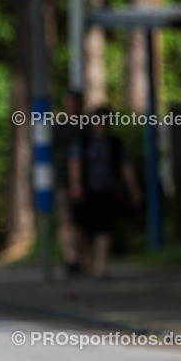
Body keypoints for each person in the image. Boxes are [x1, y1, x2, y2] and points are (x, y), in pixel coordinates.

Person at [69, 106, 142, 279]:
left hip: (107, 190)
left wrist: (133, 188)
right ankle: (85, 260)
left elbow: (125, 166)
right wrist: (76, 185)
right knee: (86, 229)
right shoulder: (84, 141)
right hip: (87, 191)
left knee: (104, 229)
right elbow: (75, 163)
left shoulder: (114, 142)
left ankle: (100, 266)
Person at [54, 90, 87, 276]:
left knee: (81, 223)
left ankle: (81, 258)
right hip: (63, 180)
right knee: (66, 220)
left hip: (85, 183)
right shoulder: (59, 127)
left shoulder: (86, 126)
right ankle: (71, 258)